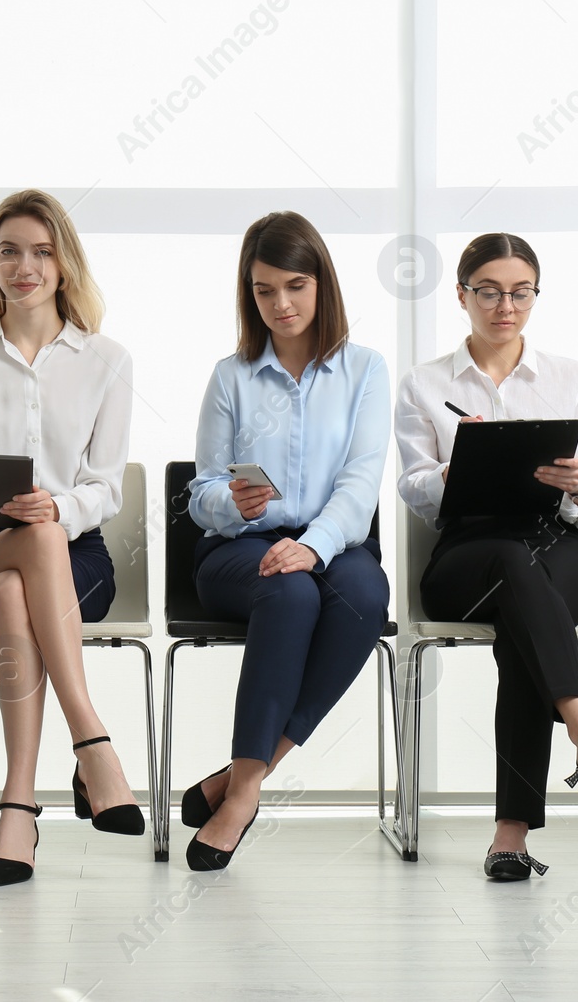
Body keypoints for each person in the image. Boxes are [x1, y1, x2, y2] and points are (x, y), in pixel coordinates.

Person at [0, 189, 143, 887]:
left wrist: (58, 506)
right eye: (10, 251)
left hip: (77, 557)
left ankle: (18, 803)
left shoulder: (106, 360)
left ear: (64, 264)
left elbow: (107, 485)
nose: (26, 266)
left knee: (21, 577)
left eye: (42, 252)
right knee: (14, 560)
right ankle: (92, 741)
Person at [395, 232, 578, 880]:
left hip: (555, 543)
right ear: (462, 294)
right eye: (490, 292)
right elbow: (413, 490)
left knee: (527, 603)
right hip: (469, 552)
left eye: (521, 292)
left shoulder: (569, 376)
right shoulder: (425, 383)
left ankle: (512, 835)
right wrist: (452, 469)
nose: (506, 306)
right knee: (515, 575)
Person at [181, 210, 391, 872]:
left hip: (332, 544)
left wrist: (317, 541)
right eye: (265, 290)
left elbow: (361, 484)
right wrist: (231, 501)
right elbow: (202, 493)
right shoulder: (231, 375)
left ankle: (241, 780)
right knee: (291, 592)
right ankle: (245, 794)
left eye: (294, 286)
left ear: (321, 284)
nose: (281, 303)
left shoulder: (364, 371)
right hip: (237, 550)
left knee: (364, 594)